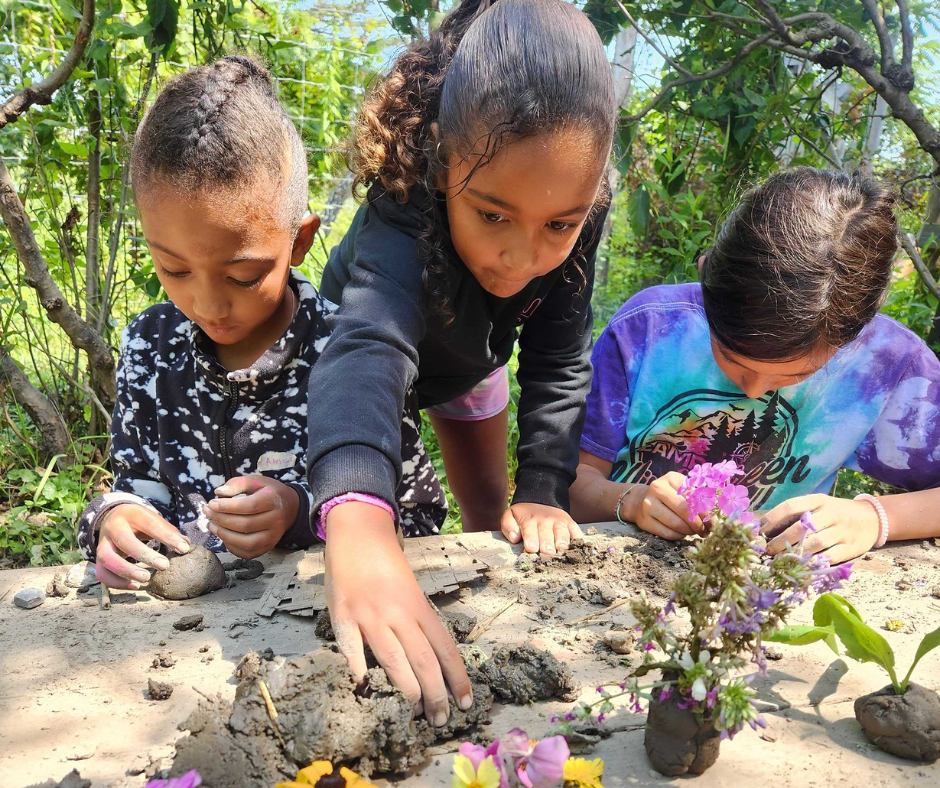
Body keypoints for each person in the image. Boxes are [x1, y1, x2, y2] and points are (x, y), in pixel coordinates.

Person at [307, 0, 616, 726]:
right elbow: (368, 349)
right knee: (358, 513)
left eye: (560, 225)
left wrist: (544, 488)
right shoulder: (404, 200)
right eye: (492, 214)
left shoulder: (582, 209)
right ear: (444, 161)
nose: (521, 256)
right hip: (369, 361)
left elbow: (561, 353)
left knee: (494, 516)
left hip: (475, 361)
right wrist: (356, 514)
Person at [77, 56, 446, 591]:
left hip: (302, 634)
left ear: (299, 241)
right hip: (174, 636)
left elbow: (417, 514)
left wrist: (299, 513)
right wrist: (111, 519)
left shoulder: (352, 354)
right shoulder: (151, 345)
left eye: (244, 276)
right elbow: (137, 483)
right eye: (173, 269)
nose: (208, 305)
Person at [572, 167, 940, 565]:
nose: (752, 392)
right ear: (706, 278)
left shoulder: (889, 366)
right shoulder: (649, 329)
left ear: (855, 336)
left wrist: (874, 517)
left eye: (795, 374)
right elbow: (571, 483)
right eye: (731, 358)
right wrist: (629, 500)